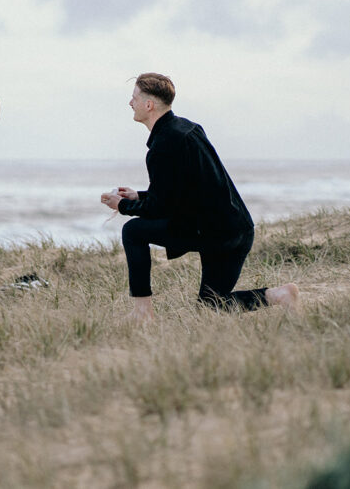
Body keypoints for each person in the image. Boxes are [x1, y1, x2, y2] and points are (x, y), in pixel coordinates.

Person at [101, 73, 298, 322]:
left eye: (134, 98)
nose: (130, 103)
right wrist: (137, 195)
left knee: (133, 231)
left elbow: (161, 207)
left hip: (213, 234)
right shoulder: (187, 128)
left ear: (148, 105)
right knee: (211, 305)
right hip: (237, 229)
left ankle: (143, 312)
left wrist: (124, 205)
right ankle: (280, 295)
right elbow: (183, 191)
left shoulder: (163, 146)